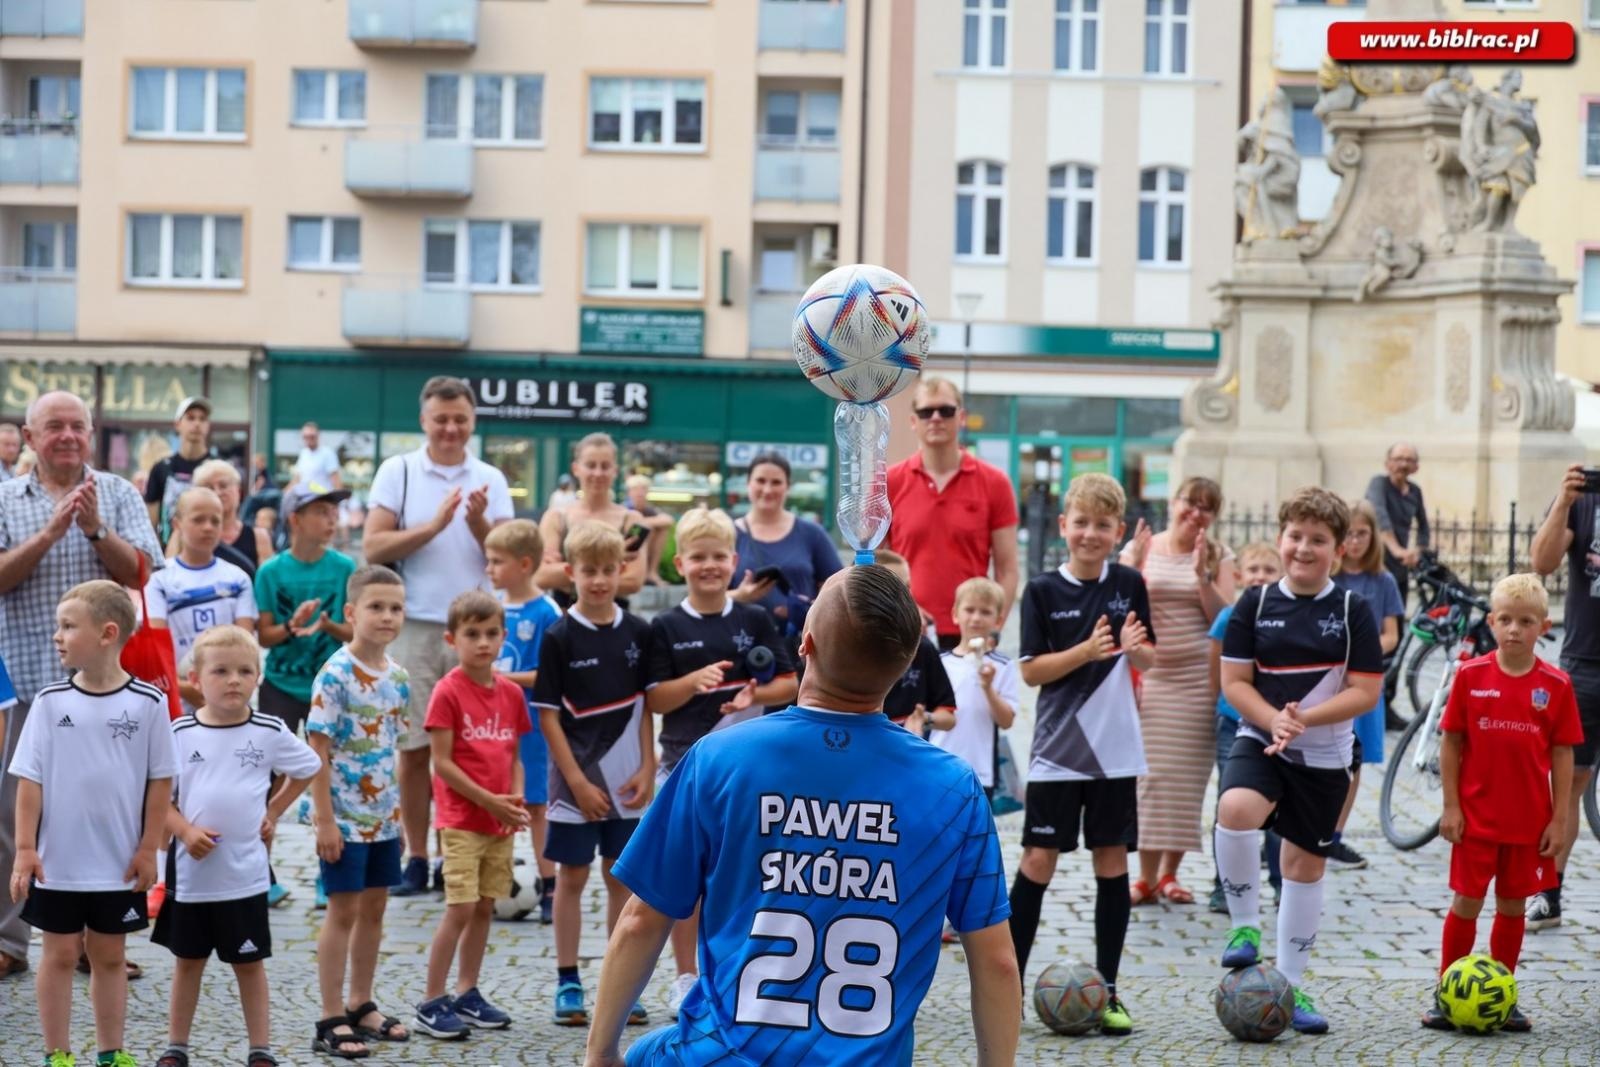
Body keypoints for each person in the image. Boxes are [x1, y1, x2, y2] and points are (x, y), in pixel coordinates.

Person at [582, 564, 1021, 1067]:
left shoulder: (719, 759)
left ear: (804, 643)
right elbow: (997, 963)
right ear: (903, 668)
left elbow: (641, 921)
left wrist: (601, 1053)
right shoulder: (953, 787)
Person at [0, 390, 163, 982]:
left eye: (77, 426)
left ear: (91, 433)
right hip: (28, 680)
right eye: (54, 427)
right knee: (14, 812)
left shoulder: (117, 494)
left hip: (108, 690)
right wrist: (48, 535)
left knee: (107, 808)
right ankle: (11, 939)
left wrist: (94, 530)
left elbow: (145, 573)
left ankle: (102, 941)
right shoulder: (5, 499)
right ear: (29, 435)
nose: (67, 435)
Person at [1215, 487, 1384, 1035]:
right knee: (1236, 808)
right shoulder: (1254, 604)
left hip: (1324, 756)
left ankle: (1287, 988)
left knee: (1302, 868)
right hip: (1262, 737)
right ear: (1280, 537)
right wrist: (1273, 719)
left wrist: (1305, 720)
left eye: (1318, 540)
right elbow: (1234, 682)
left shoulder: (1353, 609)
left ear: (1338, 549)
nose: (1303, 549)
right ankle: (1244, 930)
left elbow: (1365, 691)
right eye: (1295, 536)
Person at [8, 580, 176, 1067]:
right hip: (59, 864)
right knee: (58, 957)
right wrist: (24, 848)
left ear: (106, 633)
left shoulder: (147, 703)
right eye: (57, 626)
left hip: (118, 865)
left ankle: (110, 1052)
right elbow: (30, 782)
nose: (56, 636)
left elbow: (160, 783)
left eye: (67, 626)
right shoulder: (49, 702)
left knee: (109, 958)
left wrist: (149, 849)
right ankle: (56, 1054)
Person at [1010, 472, 1155, 1036]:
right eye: (1081, 523)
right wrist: (1085, 651)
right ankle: (1011, 985)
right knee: (1037, 861)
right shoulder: (1043, 590)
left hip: (1116, 749)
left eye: (1102, 525)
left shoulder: (1128, 582)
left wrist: (1138, 652)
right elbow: (1029, 671)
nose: (1090, 534)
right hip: (1059, 749)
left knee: (1111, 860)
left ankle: (1110, 991)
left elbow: (1147, 659)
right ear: (1064, 526)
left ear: (1117, 531)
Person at [363, 375, 514, 897]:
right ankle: (416, 854)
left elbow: (508, 553)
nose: (451, 429)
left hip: (477, 626)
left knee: (478, 746)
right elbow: (373, 546)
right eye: (441, 419)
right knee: (415, 746)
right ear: (424, 421)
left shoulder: (490, 476)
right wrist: (432, 526)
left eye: (460, 420)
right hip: (418, 622)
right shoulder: (398, 470)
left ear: (472, 422)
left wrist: (474, 525)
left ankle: (465, 848)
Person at [644, 508, 798, 1017]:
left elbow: (791, 683)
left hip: (752, 769)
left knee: (742, 874)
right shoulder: (665, 625)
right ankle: (685, 976)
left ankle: (732, 971)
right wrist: (694, 682)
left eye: (718, 557)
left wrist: (754, 692)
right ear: (680, 563)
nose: (709, 566)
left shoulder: (753, 619)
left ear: (733, 562)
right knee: (687, 880)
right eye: (698, 558)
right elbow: (656, 701)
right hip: (684, 766)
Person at [153, 627, 321, 1067]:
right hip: (192, 875)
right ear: (196, 678)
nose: (234, 680)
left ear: (258, 679)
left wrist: (275, 810)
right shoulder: (179, 731)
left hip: (243, 876)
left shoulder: (268, 729)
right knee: (188, 961)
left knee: (249, 963)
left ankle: (260, 1048)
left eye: (245, 671)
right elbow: (155, 797)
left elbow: (308, 765)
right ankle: (177, 1045)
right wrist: (185, 832)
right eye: (221, 671)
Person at [1421, 573, 1578, 1033]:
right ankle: (1447, 991)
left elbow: (1563, 753)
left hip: (1528, 824)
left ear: (1544, 626)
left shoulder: (1556, 685)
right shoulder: (1471, 676)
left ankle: (1502, 995)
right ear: (1491, 621)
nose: (1514, 629)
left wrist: (1559, 816)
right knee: (1466, 902)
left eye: (1526, 621)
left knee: (1512, 907)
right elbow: (1450, 742)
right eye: (1505, 619)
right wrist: (1451, 807)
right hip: (1475, 821)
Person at [532, 522, 655, 1028]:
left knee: (618, 879)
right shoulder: (558, 635)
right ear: (570, 573)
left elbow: (646, 707)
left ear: (622, 571)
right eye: (589, 571)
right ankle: (567, 979)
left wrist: (648, 766)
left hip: (628, 780)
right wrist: (577, 782)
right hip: (574, 781)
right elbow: (546, 715)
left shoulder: (640, 632)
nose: (599, 580)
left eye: (608, 570)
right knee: (573, 877)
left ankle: (617, 978)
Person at [414, 590, 533, 1040]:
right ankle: (431, 999)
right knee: (460, 906)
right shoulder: (448, 692)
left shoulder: (511, 694)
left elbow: (514, 756)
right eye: (471, 634)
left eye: (490, 634)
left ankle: (467, 992)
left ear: (503, 636)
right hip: (461, 817)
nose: (482, 642)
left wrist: (515, 799)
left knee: (485, 906)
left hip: (499, 817)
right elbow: (441, 763)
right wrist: (489, 800)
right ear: (452, 639)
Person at [306, 565, 412, 1059]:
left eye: (395, 607)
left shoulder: (400, 678)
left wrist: (403, 824)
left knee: (374, 909)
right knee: (342, 911)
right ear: (351, 613)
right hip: (343, 819)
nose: (387, 616)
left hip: (384, 817)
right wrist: (324, 819)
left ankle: (360, 1001)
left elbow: (392, 750)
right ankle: (330, 1015)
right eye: (376, 607)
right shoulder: (335, 674)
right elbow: (317, 753)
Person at [1120, 476, 1235, 904]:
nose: (1196, 512)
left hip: (1198, 681)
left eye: (1207, 506)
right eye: (1190, 502)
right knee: (1152, 778)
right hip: (1153, 675)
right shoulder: (1146, 546)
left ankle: (1170, 873)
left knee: (1188, 782)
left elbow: (1225, 618)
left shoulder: (1220, 555)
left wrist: (1204, 574)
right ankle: (1145, 876)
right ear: (1174, 502)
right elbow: (1122, 596)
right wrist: (1130, 561)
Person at [887, 376, 1019, 649]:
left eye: (946, 411)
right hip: (908, 630)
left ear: (961, 417)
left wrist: (993, 629)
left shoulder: (995, 483)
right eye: (926, 412)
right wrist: (900, 610)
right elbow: (878, 563)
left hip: (970, 633)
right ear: (914, 421)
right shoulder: (890, 482)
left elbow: (1007, 569)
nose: (936, 418)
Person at [1526, 462, 1600, 931]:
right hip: (1586, 663)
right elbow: (1542, 562)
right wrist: (1564, 503)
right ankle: (1548, 892)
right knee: (1568, 784)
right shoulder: (1584, 498)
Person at [485, 519, 563, 925]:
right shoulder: (492, 602)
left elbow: (548, 675)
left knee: (535, 805)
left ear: (525, 563)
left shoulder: (546, 611)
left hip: (530, 727)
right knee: (495, 801)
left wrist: (499, 678)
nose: (489, 568)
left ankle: (549, 884)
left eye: (497, 561)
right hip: (491, 726)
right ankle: (489, 877)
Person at [1207, 542, 1285, 915]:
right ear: (1238, 576)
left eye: (1268, 571)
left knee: (1278, 810)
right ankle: (1224, 884)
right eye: (1253, 569)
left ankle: (1280, 882)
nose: (1259, 577)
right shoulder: (1228, 617)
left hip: (1274, 722)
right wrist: (1220, 706)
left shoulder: (1285, 617)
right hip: (1232, 723)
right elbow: (1216, 670)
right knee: (1230, 801)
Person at [1328, 499, 1405, 871]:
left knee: (1352, 761)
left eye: (1362, 534)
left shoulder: (1382, 580)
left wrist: (1364, 650)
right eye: (1349, 534)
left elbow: (1392, 634)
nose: (1355, 542)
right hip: (1328, 677)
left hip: (1363, 678)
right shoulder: (1330, 577)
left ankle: (1336, 835)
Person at [254, 485, 356, 742]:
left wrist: (327, 625)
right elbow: (264, 637)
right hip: (280, 685)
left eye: (334, 511)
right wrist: (291, 625)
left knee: (328, 766)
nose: (332, 519)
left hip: (330, 684)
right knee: (275, 771)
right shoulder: (270, 572)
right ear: (295, 519)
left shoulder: (345, 567)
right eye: (321, 512)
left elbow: (353, 632)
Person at [145, 488, 259, 710]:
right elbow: (155, 648)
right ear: (177, 524)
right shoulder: (159, 580)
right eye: (198, 520)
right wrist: (182, 687)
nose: (208, 527)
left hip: (229, 696)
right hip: (179, 699)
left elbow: (246, 644)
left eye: (215, 521)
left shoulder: (238, 578)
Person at [727, 451, 842, 663]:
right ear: (748, 484)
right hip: (741, 647)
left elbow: (839, 588)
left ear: (788, 486)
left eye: (776, 482)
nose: (767, 489)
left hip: (799, 649)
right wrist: (739, 596)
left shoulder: (811, 533)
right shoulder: (728, 534)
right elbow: (705, 598)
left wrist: (806, 608)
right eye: (760, 481)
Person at [536, 433, 649, 609]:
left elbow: (633, 581)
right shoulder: (556, 517)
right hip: (564, 621)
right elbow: (541, 576)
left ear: (615, 470)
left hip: (614, 624)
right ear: (576, 469)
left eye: (605, 466)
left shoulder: (632, 520)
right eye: (590, 465)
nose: (598, 473)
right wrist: (613, 563)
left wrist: (567, 573)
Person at [933, 576, 1019, 795]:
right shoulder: (939, 662)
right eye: (969, 610)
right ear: (955, 614)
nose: (976, 618)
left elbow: (1006, 720)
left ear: (998, 620)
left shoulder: (1003, 665)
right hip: (937, 765)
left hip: (979, 771)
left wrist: (988, 687)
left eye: (985, 612)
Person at [875, 548, 956, 734]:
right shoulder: (846, 647)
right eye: (895, 587)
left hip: (908, 750)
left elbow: (949, 716)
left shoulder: (922, 646)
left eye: (908, 587)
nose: (905, 595)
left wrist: (924, 719)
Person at [1364, 442, 1429, 604]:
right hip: (1376, 561)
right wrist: (1397, 550)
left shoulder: (1415, 491)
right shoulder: (1378, 484)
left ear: (1416, 466)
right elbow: (1380, 516)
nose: (1403, 464)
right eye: (1398, 459)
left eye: (1409, 460)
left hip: (1400, 566)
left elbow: (1424, 526)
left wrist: (1417, 552)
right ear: (1387, 463)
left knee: (1398, 610)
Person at [186, 458, 274, 576]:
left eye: (223, 486)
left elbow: (267, 585)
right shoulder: (185, 534)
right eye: (209, 488)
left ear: (238, 491)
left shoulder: (259, 537)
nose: (217, 492)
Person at [145, 396, 216, 543]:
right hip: (169, 551)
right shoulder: (161, 468)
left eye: (202, 419)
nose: (197, 423)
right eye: (190, 418)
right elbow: (150, 523)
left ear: (208, 426)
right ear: (178, 424)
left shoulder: (217, 468)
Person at [623, 475, 673, 586]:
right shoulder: (625, 509)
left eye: (643, 489)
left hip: (642, 550)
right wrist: (648, 523)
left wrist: (646, 522)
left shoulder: (649, 510)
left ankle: (651, 572)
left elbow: (668, 520)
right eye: (636, 489)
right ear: (629, 492)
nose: (639, 493)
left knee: (660, 529)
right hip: (626, 552)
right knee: (646, 529)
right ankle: (640, 571)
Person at [290, 423, 343, 492]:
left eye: (312, 436)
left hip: (322, 498)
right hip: (303, 496)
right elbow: (297, 479)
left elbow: (336, 481)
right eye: (306, 437)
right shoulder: (304, 453)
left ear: (318, 435)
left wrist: (338, 499)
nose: (308, 439)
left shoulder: (327, 453)